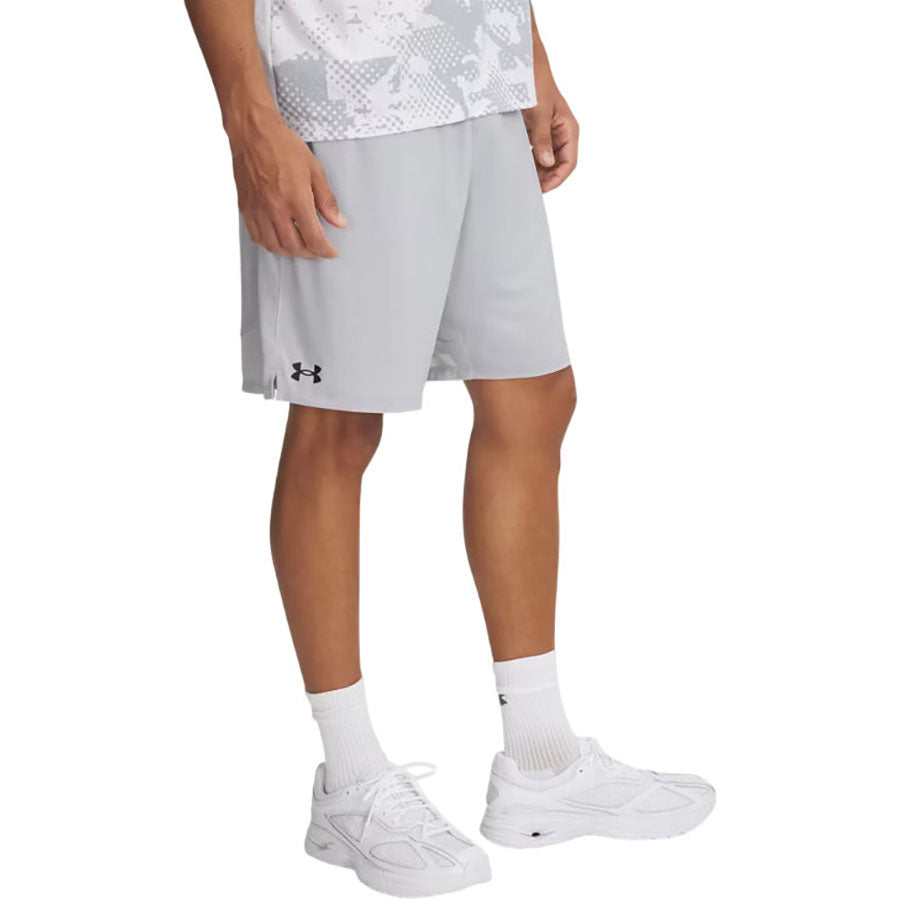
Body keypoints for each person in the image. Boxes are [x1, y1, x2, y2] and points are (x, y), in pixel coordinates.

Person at [185, 1, 715, 894]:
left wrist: (528, 52)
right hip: (342, 90)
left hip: (476, 74)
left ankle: (541, 759)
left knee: (534, 394)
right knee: (340, 422)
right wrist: (249, 117)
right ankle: (349, 779)